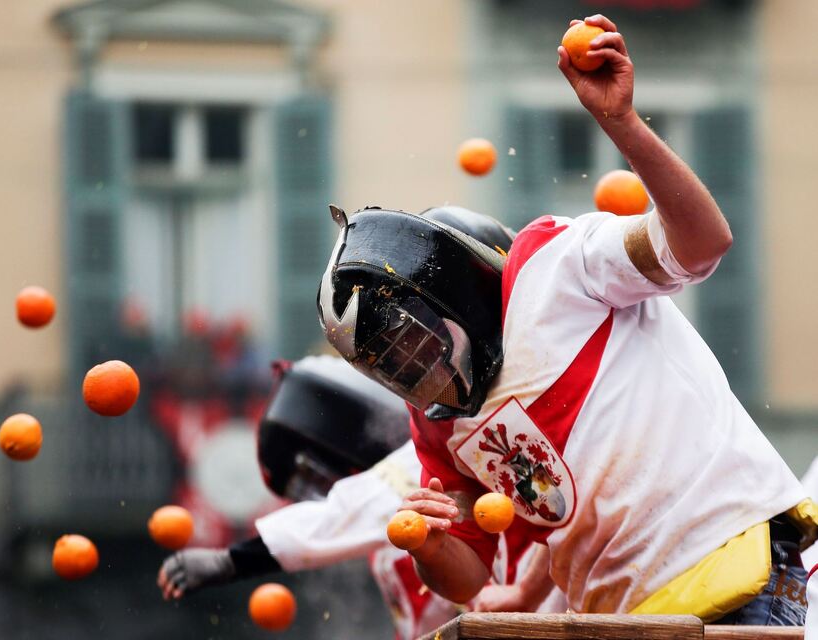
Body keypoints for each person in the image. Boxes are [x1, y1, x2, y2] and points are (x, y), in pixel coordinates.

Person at [316, 14, 817, 625]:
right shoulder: (437, 422)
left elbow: (703, 243)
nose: (413, 374)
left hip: (735, 574)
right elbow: (469, 570)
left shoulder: (553, 264)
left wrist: (622, 125)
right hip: (616, 620)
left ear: (448, 292)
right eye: (390, 369)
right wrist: (429, 542)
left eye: (411, 345)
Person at [155, 355, 460, 639]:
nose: (326, 491)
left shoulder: (420, 471)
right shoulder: (384, 537)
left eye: (318, 477)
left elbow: (342, 513)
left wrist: (231, 560)